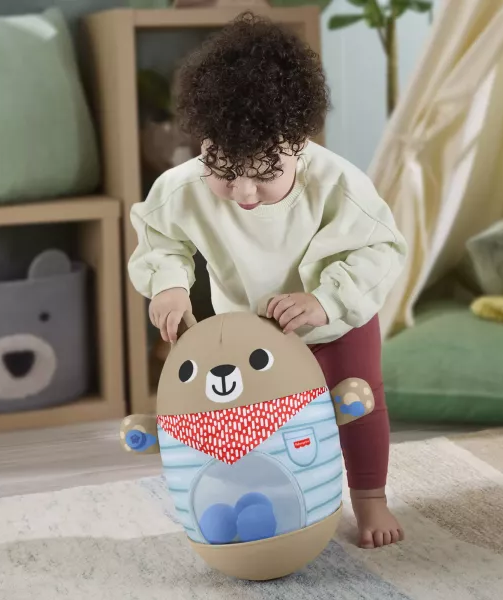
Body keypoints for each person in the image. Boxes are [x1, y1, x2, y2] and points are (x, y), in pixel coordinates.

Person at [128, 12, 407, 549]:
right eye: (224, 172)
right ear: (203, 142)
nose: (244, 193)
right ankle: (273, 496)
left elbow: (380, 248)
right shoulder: (181, 188)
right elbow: (159, 239)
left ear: (297, 143)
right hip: (250, 333)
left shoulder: (337, 186)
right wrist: (168, 285)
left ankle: (371, 498)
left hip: (335, 324)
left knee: (359, 401)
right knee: (257, 418)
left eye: (264, 175)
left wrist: (325, 301)